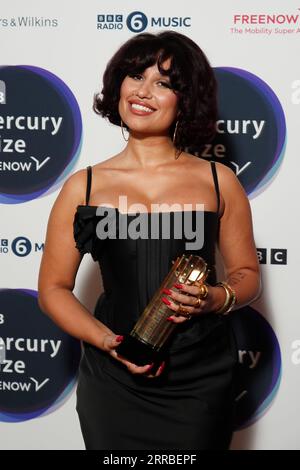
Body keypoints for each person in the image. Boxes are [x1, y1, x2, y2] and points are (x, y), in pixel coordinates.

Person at [38, 30, 261, 450]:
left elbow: (248, 275)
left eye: (163, 83)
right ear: (117, 85)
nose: (143, 92)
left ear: (186, 99)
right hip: (114, 379)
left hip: (200, 379)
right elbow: (53, 290)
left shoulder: (219, 181)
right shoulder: (83, 187)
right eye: (135, 76)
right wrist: (108, 342)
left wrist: (215, 298)